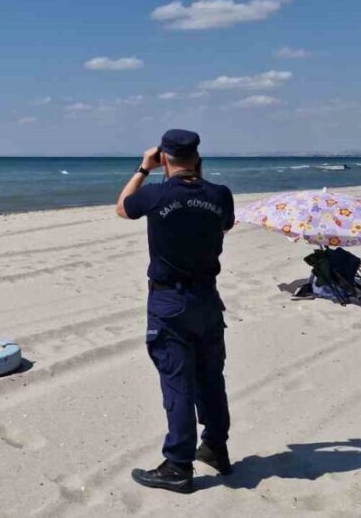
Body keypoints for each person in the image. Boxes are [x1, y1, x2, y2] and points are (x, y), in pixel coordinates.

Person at [115, 129, 235, 494]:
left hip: (170, 301)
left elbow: (123, 207)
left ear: (164, 157)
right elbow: (226, 224)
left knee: (177, 381)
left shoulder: (155, 194)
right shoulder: (220, 195)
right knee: (210, 377)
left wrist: (142, 168)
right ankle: (215, 445)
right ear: (197, 157)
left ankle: (179, 465)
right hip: (207, 299)